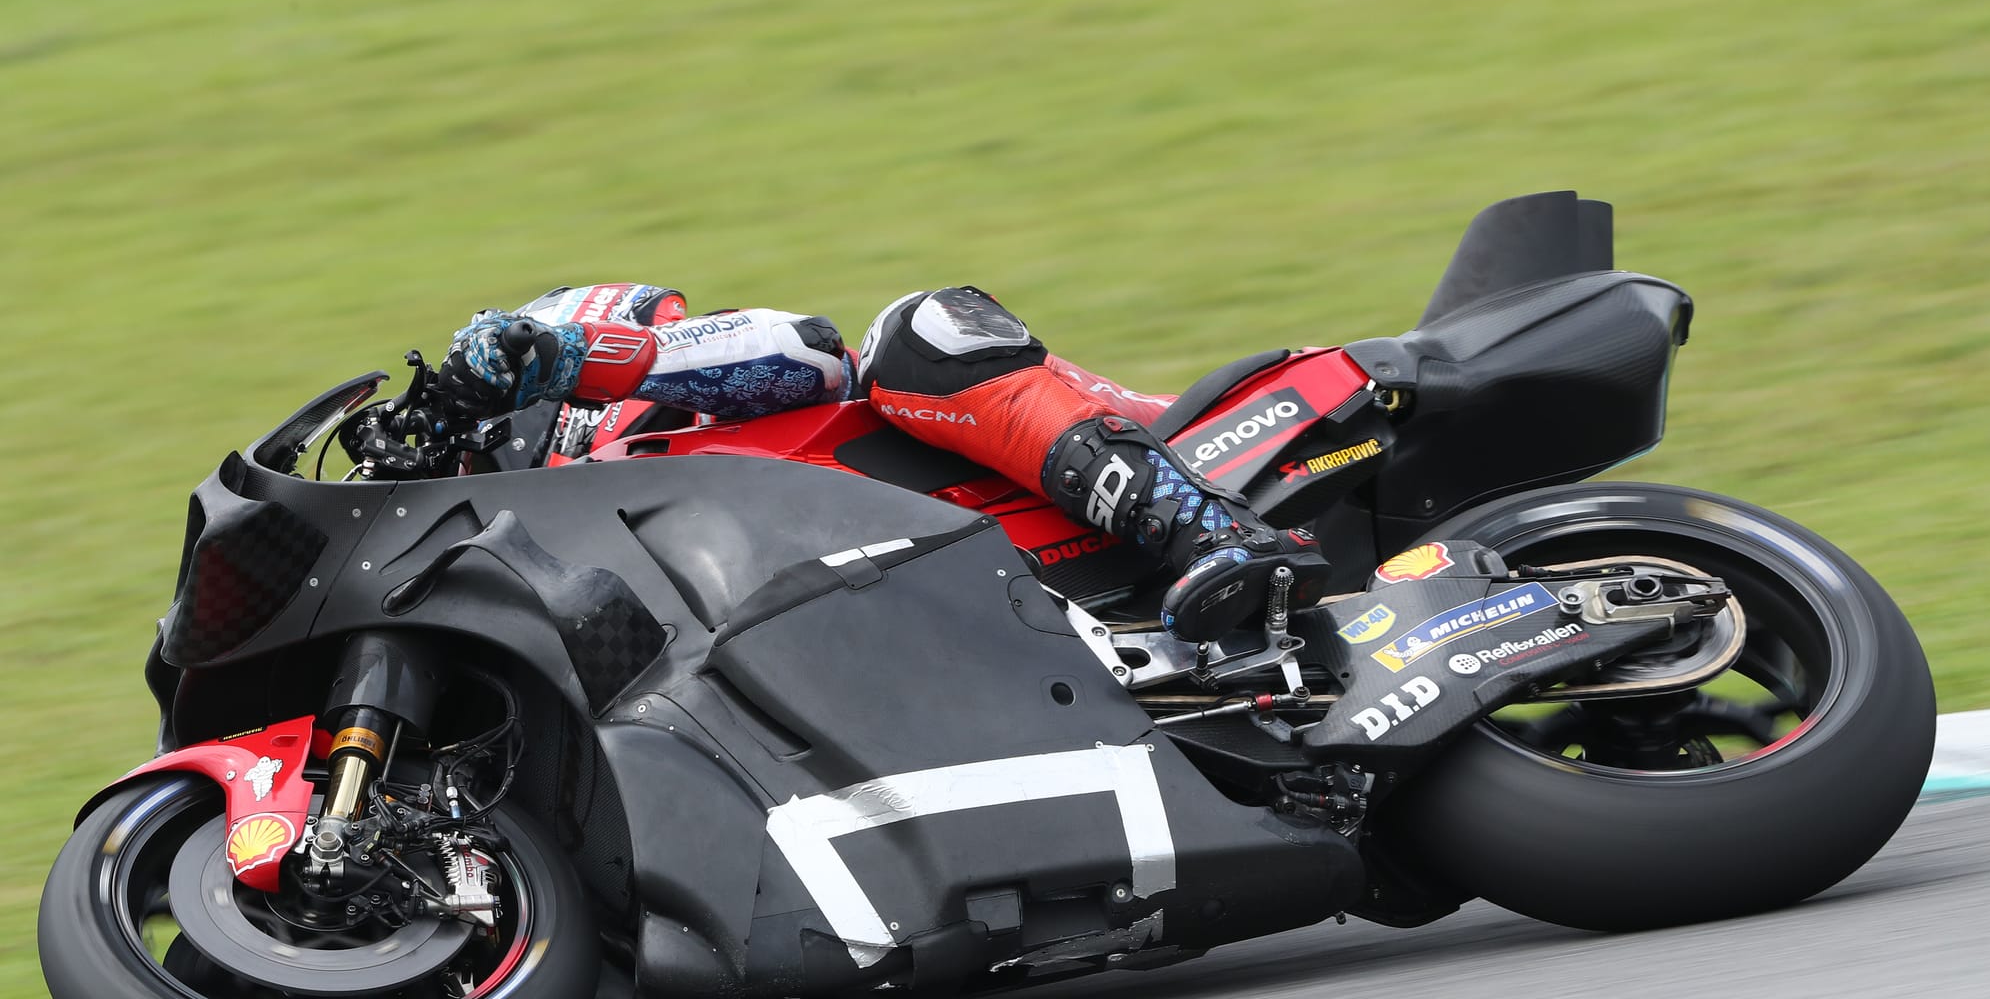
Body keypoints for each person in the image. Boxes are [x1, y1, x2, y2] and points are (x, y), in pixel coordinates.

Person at [436, 283, 1326, 641]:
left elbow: (812, 350)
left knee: (915, 331)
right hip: (942, 625)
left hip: (1180, 446)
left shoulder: (667, 403)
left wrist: (568, 354)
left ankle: (1215, 530)